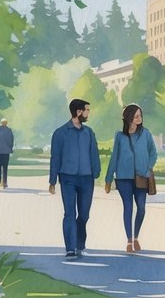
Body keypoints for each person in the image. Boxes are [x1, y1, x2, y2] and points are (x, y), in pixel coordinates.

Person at [49, 98, 100, 260]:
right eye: (86, 110)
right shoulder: (60, 133)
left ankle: (80, 243)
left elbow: (94, 154)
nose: (88, 113)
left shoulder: (89, 132)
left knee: (84, 215)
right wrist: (52, 180)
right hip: (67, 178)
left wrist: (96, 173)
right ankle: (70, 248)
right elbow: (55, 158)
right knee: (69, 213)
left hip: (87, 179)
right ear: (78, 112)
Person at [104, 103, 158, 253]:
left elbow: (153, 153)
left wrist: (148, 168)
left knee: (141, 208)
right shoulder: (120, 136)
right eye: (136, 116)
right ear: (129, 118)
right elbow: (114, 157)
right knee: (128, 207)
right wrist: (108, 179)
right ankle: (129, 240)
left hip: (141, 176)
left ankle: (136, 237)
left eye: (140, 115)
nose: (139, 118)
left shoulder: (146, 134)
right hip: (123, 178)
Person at [0, 118, 15, 189]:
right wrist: (10, 148)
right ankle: (4, 182)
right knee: (5, 167)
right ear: (6, 123)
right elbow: (11, 141)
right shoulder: (9, 131)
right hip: (5, 152)